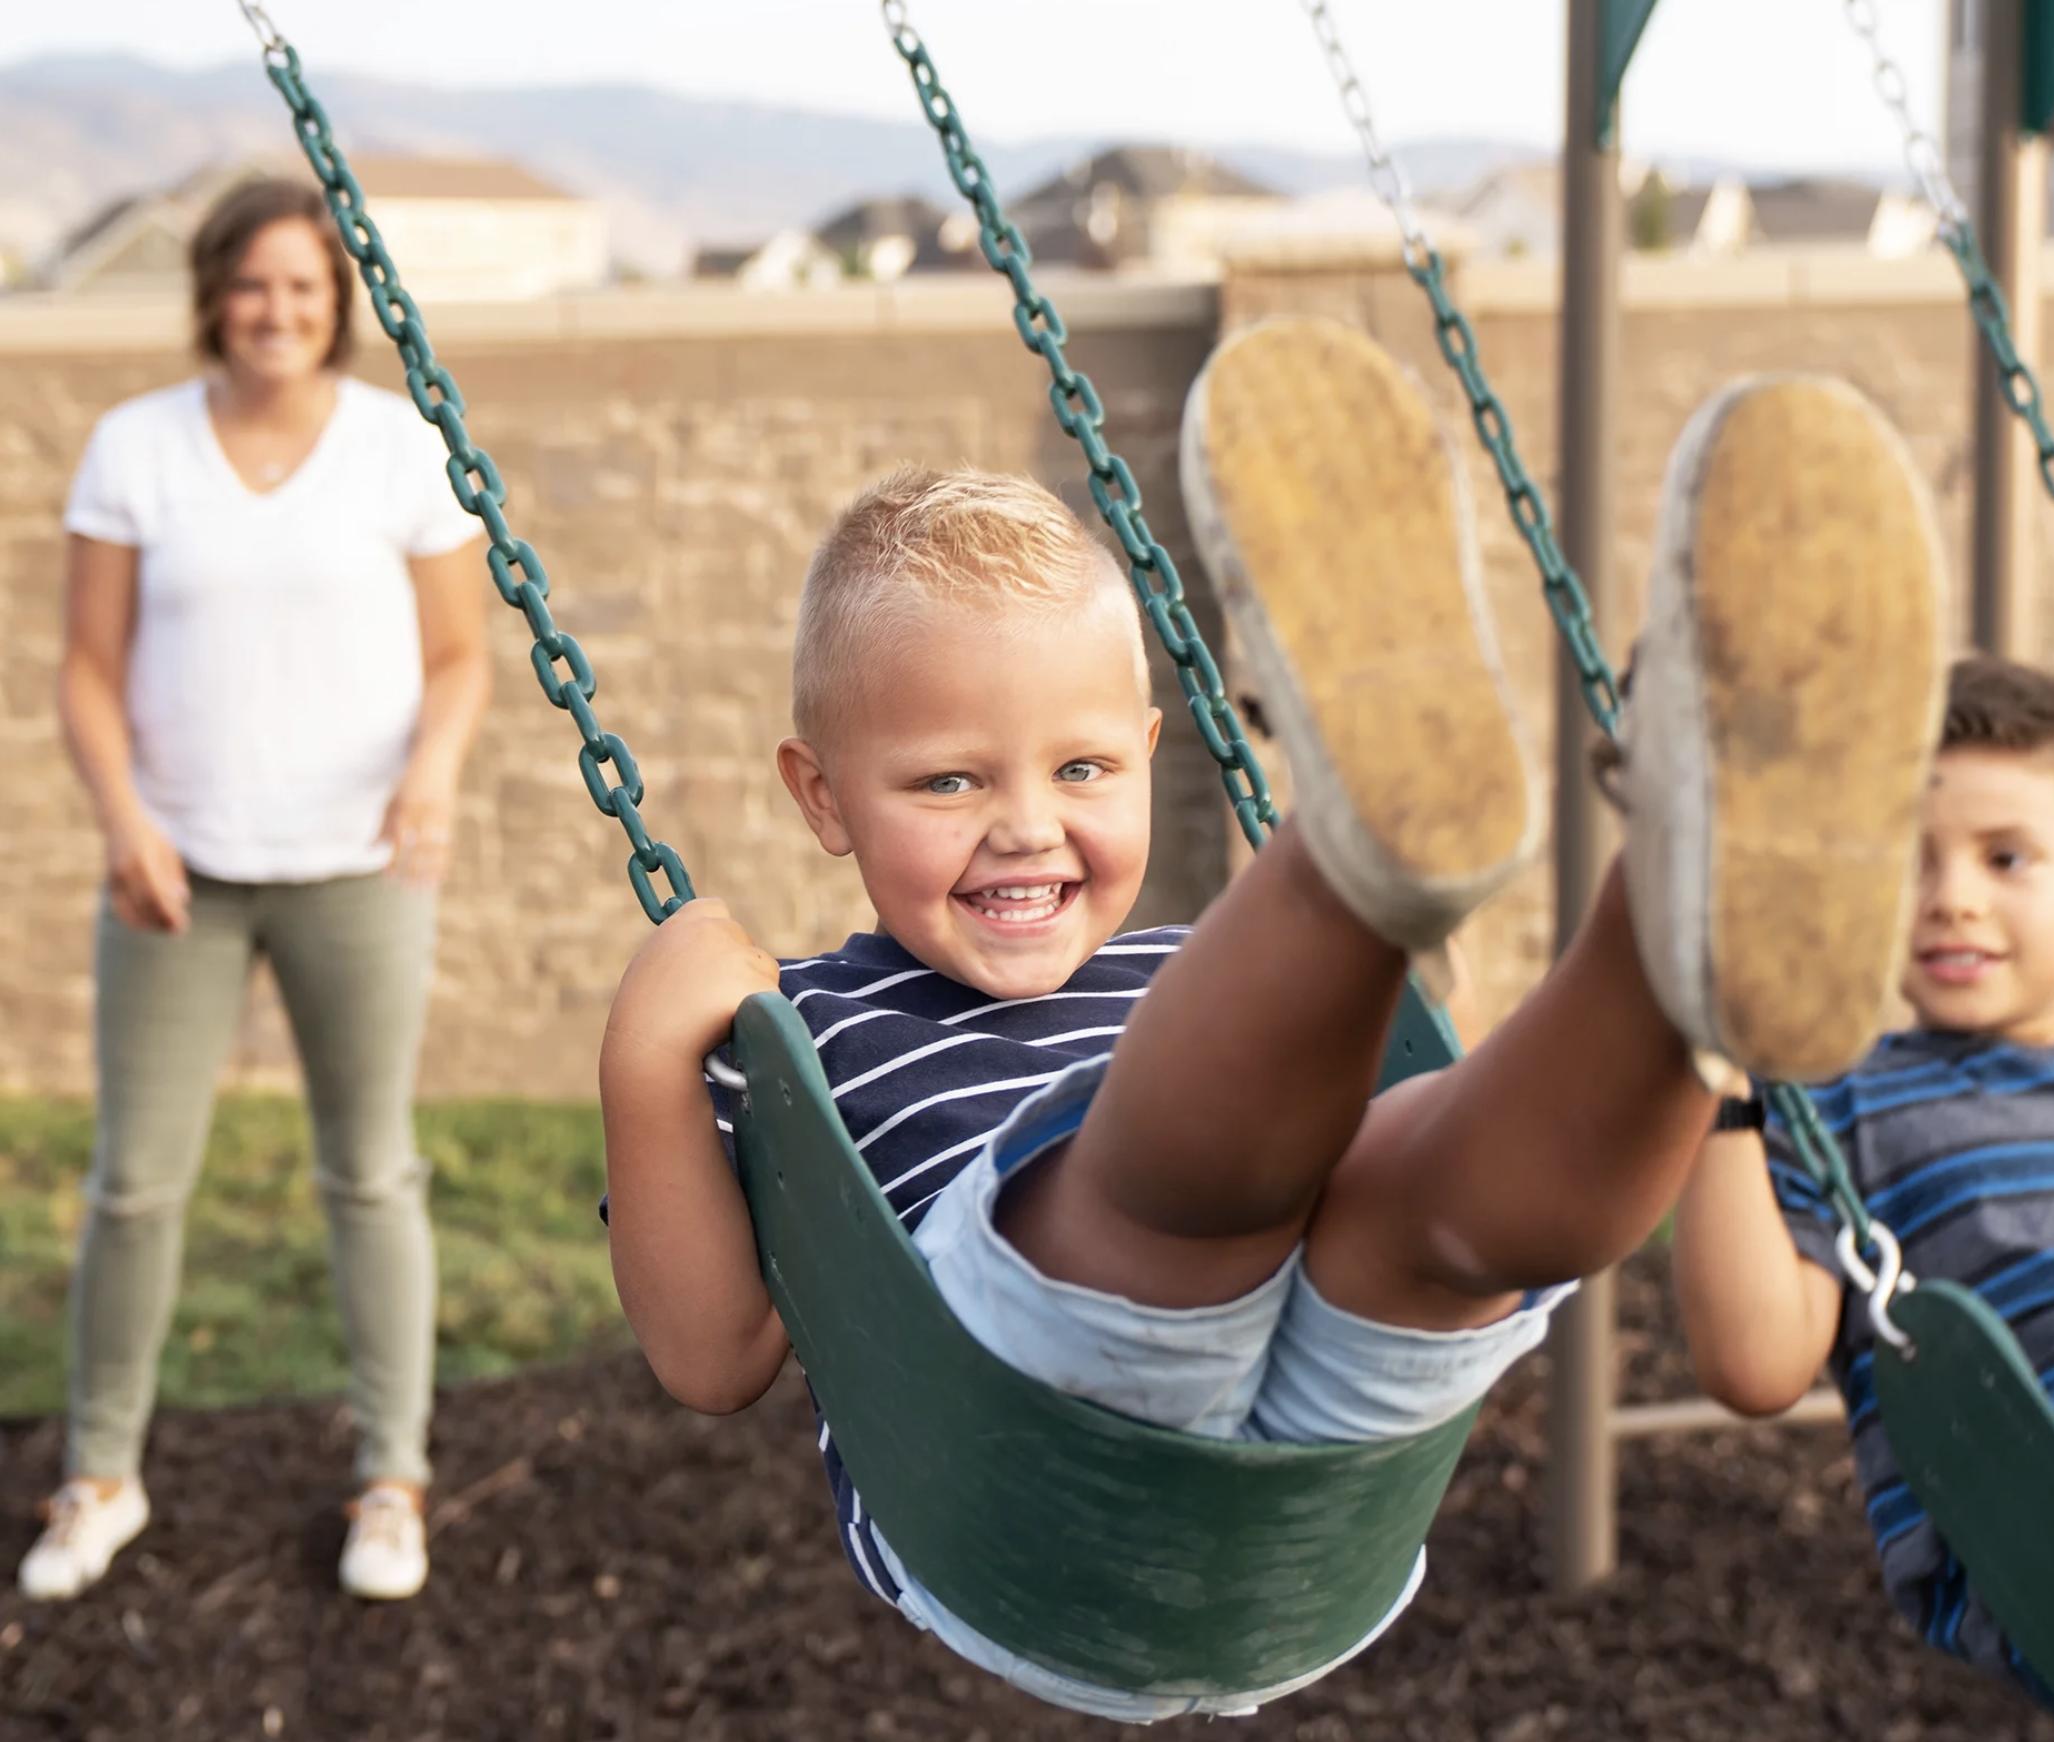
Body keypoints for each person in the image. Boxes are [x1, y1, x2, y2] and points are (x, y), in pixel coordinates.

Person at [598, 319, 1949, 1719]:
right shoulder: (798, 1029)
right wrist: (650, 1052)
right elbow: (714, 1357)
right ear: (820, 795)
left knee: (1433, 1203)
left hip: (1315, 1507)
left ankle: (1669, 915)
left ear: (1148, 753)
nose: (1027, 826)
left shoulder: (1219, 980)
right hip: (1018, 1477)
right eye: (948, 781)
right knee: (1162, 1193)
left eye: (1081, 767)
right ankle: (1355, 852)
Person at [18, 177, 491, 1605]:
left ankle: (393, 1480)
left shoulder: (399, 448)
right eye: (251, 284)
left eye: (303, 286)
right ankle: (101, 1474)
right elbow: (86, 668)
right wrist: (125, 825)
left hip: (359, 871)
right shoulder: (137, 448)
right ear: (212, 294)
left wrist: (432, 774)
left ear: (337, 302)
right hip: (177, 873)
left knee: (371, 1170)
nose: (276, 310)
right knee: (133, 1182)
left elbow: (460, 657)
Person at [1673, 653, 2054, 1705]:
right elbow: (1754, 1365)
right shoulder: (1836, 1104)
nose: (1952, 898)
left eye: (2005, 858)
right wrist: (1722, 1080)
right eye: (1906, 863)